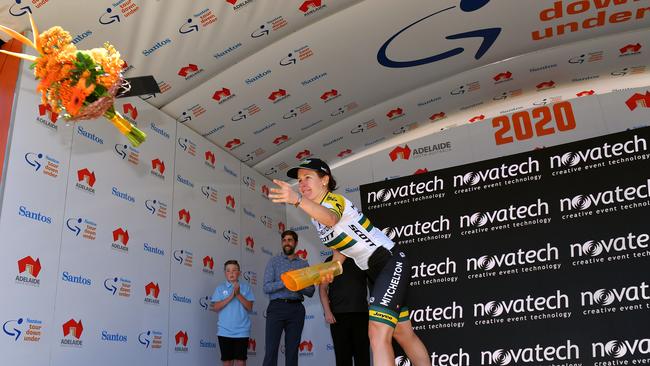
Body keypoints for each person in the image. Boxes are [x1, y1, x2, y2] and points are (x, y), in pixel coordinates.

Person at [269, 158, 430, 366]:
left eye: (308, 177)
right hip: (375, 271)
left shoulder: (335, 201)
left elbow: (331, 219)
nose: (302, 184)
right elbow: (340, 253)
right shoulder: (315, 217)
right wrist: (329, 272)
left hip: (389, 262)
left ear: (325, 180)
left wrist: (298, 200)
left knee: (377, 332)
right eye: (299, 180)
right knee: (403, 333)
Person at [262, 230, 315, 366]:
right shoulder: (273, 261)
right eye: (284, 240)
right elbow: (266, 287)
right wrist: (286, 281)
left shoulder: (303, 265)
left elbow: (310, 291)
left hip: (296, 309)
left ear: (295, 243)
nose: (287, 243)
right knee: (271, 350)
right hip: (276, 308)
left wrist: (296, 284)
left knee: (292, 352)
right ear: (282, 243)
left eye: (290, 240)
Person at [319, 254, 370, 366]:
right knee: (342, 357)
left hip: (361, 314)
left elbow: (374, 282)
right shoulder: (329, 261)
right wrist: (327, 312)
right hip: (338, 316)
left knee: (363, 356)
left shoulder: (360, 257)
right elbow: (323, 289)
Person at [211, 260, 255, 366]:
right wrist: (231, 296)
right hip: (224, 331)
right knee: (227, 361)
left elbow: (249, 307)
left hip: (242, 331)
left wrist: (238, 294)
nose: (231, 273)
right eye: (228, 270)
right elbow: (215, 307)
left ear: (239, 273)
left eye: (234, 270)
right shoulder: (220, 288)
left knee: (241, 361)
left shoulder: (246, 288)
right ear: (225, 273)